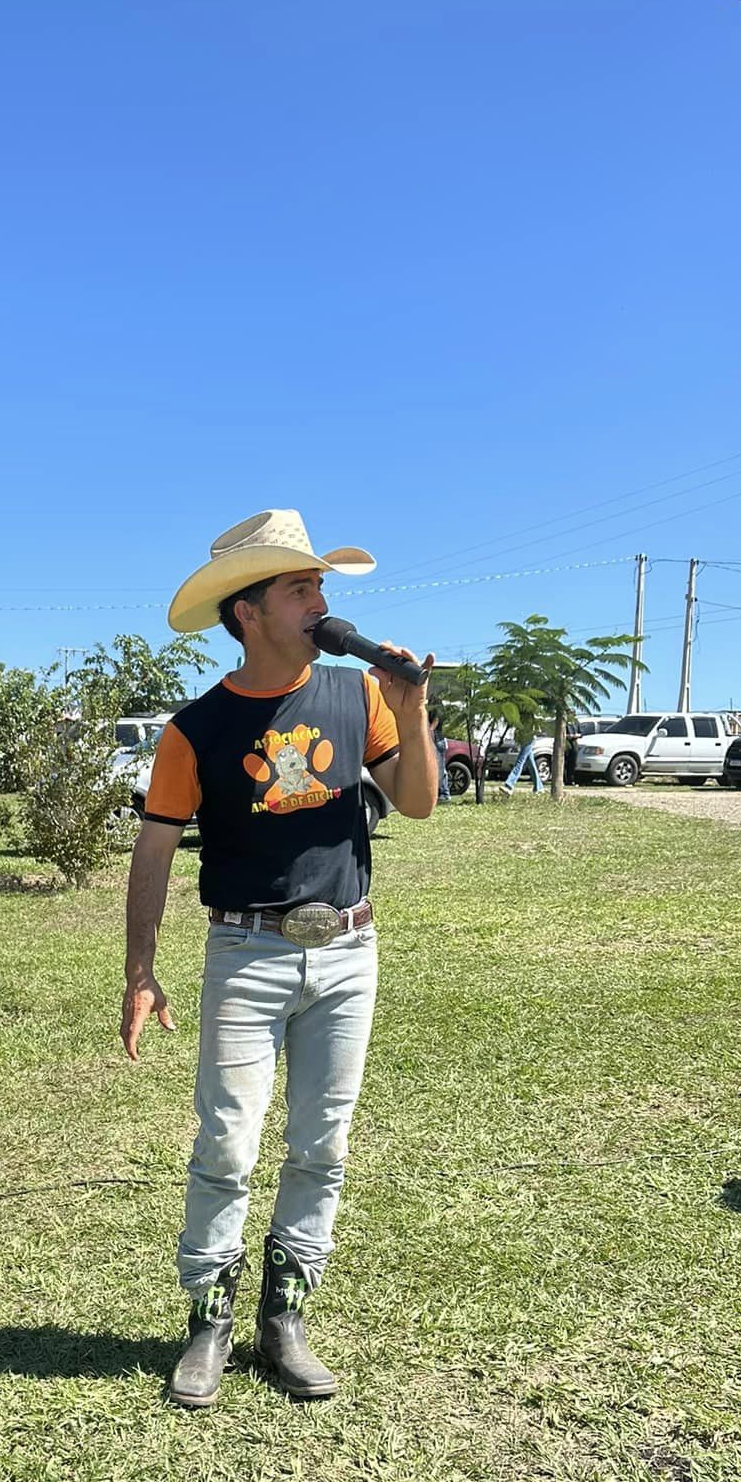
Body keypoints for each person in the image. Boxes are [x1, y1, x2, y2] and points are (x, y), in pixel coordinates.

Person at [122, 510, 437, 1408]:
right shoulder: (196, 729)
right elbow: (153, 851)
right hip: (246, 949)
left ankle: (284, 1321)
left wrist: (412, 712)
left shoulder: (358, 695)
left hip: (348, 948)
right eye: (301, 589)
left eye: (320, 587)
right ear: (248, 612)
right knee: (227, 1142)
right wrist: (141, 972)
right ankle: (209, 1322)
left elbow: (416, 803)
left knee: (322, 1143)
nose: (320, 603)